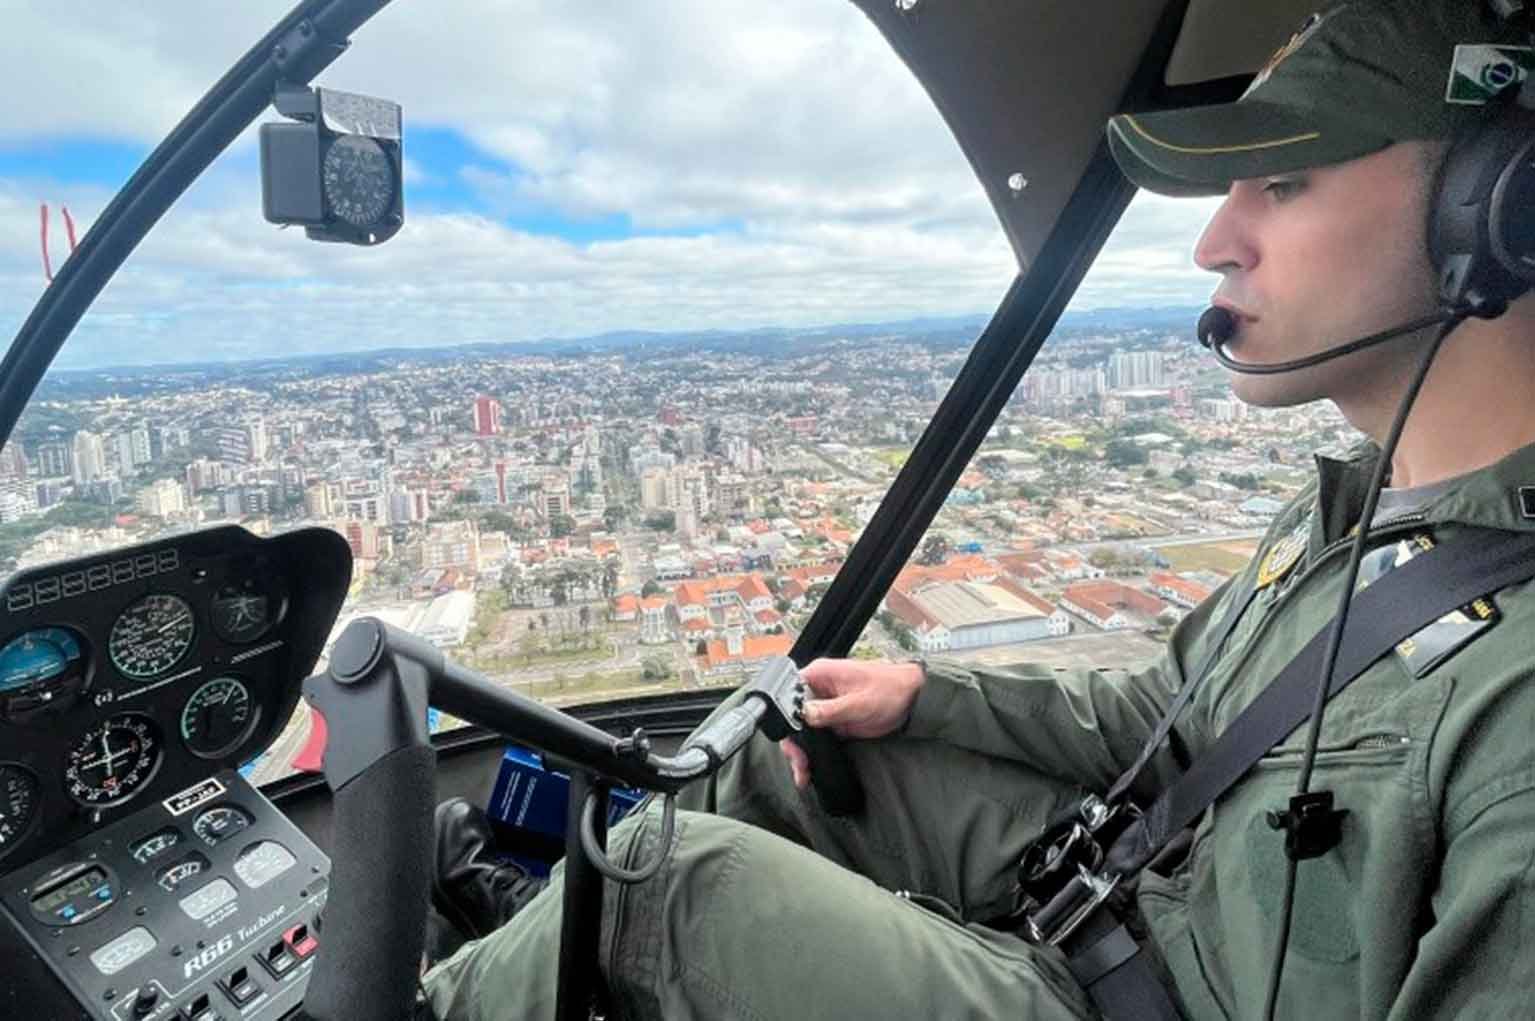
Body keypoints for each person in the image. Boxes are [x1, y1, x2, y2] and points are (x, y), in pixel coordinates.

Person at [419, 2, 1535, 1017]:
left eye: (1281, 183)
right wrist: (928, 692)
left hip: (1158, 988)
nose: (1211, 242)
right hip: (1136, 890)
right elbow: (1164, 711)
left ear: (1497, 208)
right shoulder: (1346, 507)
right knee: (780, 754)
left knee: (664, 892)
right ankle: (538, 944)